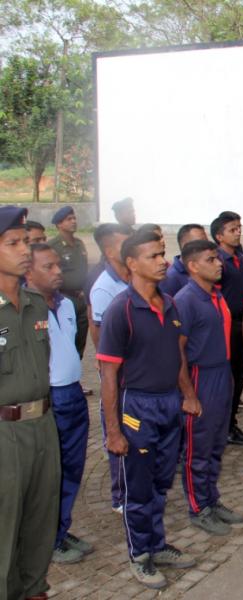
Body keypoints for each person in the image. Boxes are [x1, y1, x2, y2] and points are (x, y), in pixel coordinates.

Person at [97, 230, 200, 589]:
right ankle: (140, 555)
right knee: (138, 488)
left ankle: (157, 543)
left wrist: (187, 394)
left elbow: (177, 355)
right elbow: (108, 374)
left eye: (162, 254)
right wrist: (113, 431)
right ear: (131, 263)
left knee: (160, 482)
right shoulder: (121, 310)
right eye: (153, 256)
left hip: (169, 402)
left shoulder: (169, 303)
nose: (162, 261)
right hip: (137, 406)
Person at [0, 207, 60, 600]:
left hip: (43, 425)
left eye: (26, 241)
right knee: (4, 528)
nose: (25, 250)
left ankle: (35, 589)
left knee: (41, 519)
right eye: (13, 243)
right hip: (5, 434)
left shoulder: (37, 303)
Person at [25, 244, 92, 565]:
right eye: (48, 267)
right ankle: (45, 539)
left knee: (71, 468)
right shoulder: (22, 309)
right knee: (49, 474)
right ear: (28, 272)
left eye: (58, 266)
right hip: (47, 398)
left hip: (73, 393)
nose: (57, 272)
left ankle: (59, 529)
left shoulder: (66, 304)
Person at [174, 240, 243, 535]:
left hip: (221, 373)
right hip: (200, 377)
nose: (219, 264)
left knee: (216, 444)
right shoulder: (186, 300)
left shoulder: (216, 295)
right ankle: (198, 507)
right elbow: (177, 350)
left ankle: (212, 499)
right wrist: (189, 394)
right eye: (211, 260)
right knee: (198, 448)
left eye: (218, 258)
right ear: (193, 266)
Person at [89, 224, 131, 514]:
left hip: (136, 371)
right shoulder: (104, 287)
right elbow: (102, 334)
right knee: (116, 427)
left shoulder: (132, 277)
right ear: (109, 250)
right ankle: (121, 495)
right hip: (117, 372)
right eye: (123, 244)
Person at [211, 212, 243, 446]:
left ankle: (230, 422)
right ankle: (223, 426)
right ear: (219, 236)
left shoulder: (239, 258)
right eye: (232, 230)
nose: (238, 233)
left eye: (239, 228)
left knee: (239, 374)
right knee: (229, 378)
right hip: (227, 326)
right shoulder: (218, 262)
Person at [49, 205, 89, 359]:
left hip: (81, 298)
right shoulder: (53, 246)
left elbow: (84, 269)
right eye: (68, 219)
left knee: (81, 337)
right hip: (64, 297)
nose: (73, 221)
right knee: (67, 338)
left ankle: (76, 366)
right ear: (59, 224)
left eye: (74, 218)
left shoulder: (79, 244)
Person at [161, 224, 207, 296]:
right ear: (185, 245)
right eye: (201, 242)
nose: (206, 247)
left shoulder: (203, 270)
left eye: (207, 242)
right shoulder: (170, 278)